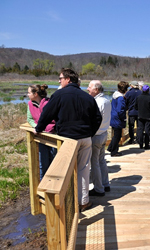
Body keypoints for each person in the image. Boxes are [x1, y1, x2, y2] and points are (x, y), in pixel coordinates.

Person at [35, 68, 102, 212]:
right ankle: (83, 202)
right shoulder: (87, 97)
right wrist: (90, 133)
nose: (59, 81)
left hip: (68, 140)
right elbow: (98, 118)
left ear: (68, 79)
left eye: (60, 78)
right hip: (85, 138)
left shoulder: (59, 95)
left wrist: (39, 128)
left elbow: (47, 114)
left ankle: (68, 203)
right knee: (84, 170)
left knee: (66, 171)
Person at [27, 84, 57, 180]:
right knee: (42, 163)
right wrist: (37, 127)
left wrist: (46, 128)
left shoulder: (49, 103)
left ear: (35, 94)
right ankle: (43, 186)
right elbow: (30, 119)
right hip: (40, 136)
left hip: (53, 136)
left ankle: (54, 186)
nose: (27, 95)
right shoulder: (30, 104)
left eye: (29, 93)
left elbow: (54, 119)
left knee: (54, 161)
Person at [87, 80, 111, 196]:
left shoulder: (96, 102)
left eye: (89, 87)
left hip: (96, 135)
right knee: (101, 160)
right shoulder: (106, 100)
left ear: (96, 90)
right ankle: (105, 184)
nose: (87, 89)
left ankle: (98, 188)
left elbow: (93, 120)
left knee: (94, 162)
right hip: (104, 133)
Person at [107, 81, 128, 157]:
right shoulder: (120, 98)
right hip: (118, 119)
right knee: (117, 136)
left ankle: (110, 148)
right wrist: (123, 118)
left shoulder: (115, 96)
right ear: (125, 89)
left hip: (113, 117)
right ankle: (114, 152)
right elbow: (120, 110)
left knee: (116, 135)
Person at [135, 85, 150, 149]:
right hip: (148, 116)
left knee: (140, 129)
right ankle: (146, 144)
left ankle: (140, 144)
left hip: (140, 116)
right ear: (148, 90)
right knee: (147, 130)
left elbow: (135, 107)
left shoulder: (138, 97)